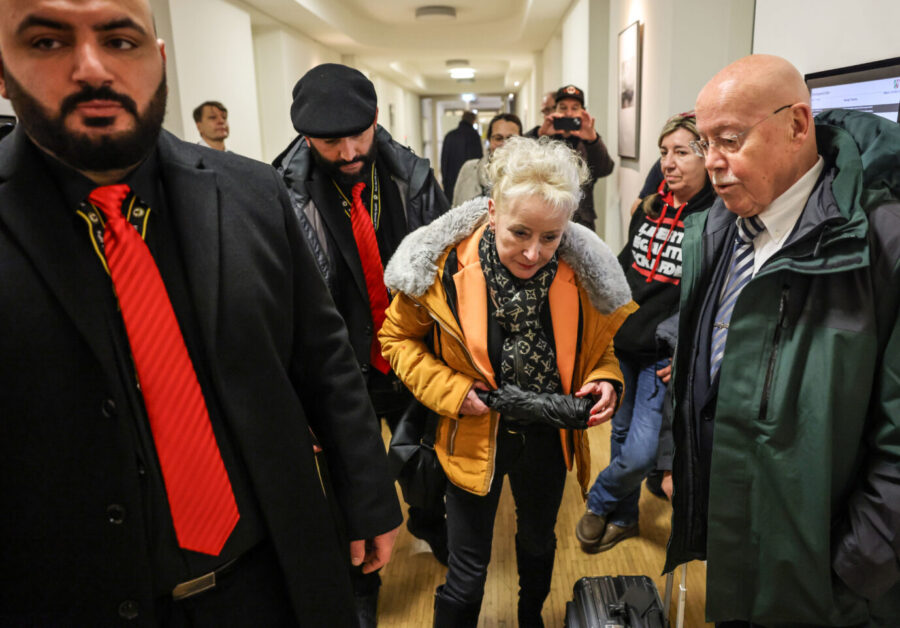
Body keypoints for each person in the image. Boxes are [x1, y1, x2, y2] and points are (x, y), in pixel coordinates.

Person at [0, 1, 402, 625]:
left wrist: (369, 495)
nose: (92, 68)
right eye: (47, 42)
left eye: (120, 39)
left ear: (159, 62)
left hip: (274, 577)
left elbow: (322, 357)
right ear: (2, 71)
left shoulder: (251, 192)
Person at [665, 54, 900, 626]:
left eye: (730, 140)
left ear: (798, 125)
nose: (712, 164)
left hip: (828, 585)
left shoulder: (883, 241)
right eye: (704, 143)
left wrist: (851, 571)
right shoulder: (717, 225)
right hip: (736, 549)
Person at [379, 136, 638, 627]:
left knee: (539, 543)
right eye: (520, 232)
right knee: (467, 570)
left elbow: (597, 350)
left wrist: (605, 380)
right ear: (492, 212)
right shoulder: (441, 270)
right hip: (470, 436)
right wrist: (453, 391)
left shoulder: (577, 273)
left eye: (550, 237)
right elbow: (396, 339)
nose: (533, 252)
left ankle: (530, 617)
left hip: (546, 437)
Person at [272, 62, 450, 625]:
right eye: (330, 142)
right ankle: (361, 583)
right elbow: (278, 300)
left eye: (359, 134)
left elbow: (451, 270)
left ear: (376, 119)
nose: (349, 151)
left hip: (407, 354)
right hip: (337, 367)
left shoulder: (413, 177)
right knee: (350, 482)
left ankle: (427, 522)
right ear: (305, 136)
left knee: (422, 459)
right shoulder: (281, 192)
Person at [576, 112, 715, 553]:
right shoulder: (650, 208)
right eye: (663, 153)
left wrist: (689, 351)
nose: (668, 163)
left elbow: (710, 298)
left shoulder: (715, 221)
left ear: (707, 157)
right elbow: (623, 270)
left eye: (681, 153)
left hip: (661, 354)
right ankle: (626, 517)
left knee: (639, 453)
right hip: (623, 344)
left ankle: (599, 501)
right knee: (619, 435)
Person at [527, 84, 614, 230]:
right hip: (544, 216)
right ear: (554, 111)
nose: (568, 113)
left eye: (575, 108)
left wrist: (592, 140)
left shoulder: (589, 141)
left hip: (581, 220)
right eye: (563, 107)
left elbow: (605, 169)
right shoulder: (542, 135)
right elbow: (521, 162)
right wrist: (540, 136)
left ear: (583, 112)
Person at [452, 112, 522, 205]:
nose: (505, 144)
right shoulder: (469, 170)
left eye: (511, 138)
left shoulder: (532, 175)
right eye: (498, 138)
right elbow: (455, 211)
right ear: (489, 140)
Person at [440, 110, 482, 203]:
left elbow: (444, 161)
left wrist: (444, 181)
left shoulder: (450, 136)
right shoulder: (474, 135)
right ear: (473, 120)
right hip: (470, 182)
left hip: (451, 181)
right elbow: (479, 161)